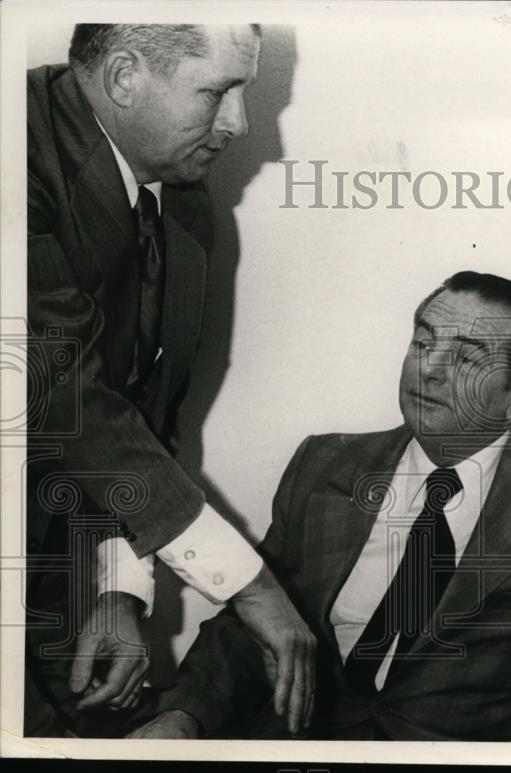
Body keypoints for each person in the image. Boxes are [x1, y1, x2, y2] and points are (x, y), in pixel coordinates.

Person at [127, 271, 511, 740]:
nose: (430, 370)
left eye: (466, 358)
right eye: (423, 342)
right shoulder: (324, 463)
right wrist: (183, 716)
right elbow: (253, 623)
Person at [25, 24, 315, 737]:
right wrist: (253, 587)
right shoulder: (11, 145)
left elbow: (140, 416)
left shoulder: (182, 200)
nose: (242, 126)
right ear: (125, 77)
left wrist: (120, 587)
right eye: (218, 91)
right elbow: (66, 393)